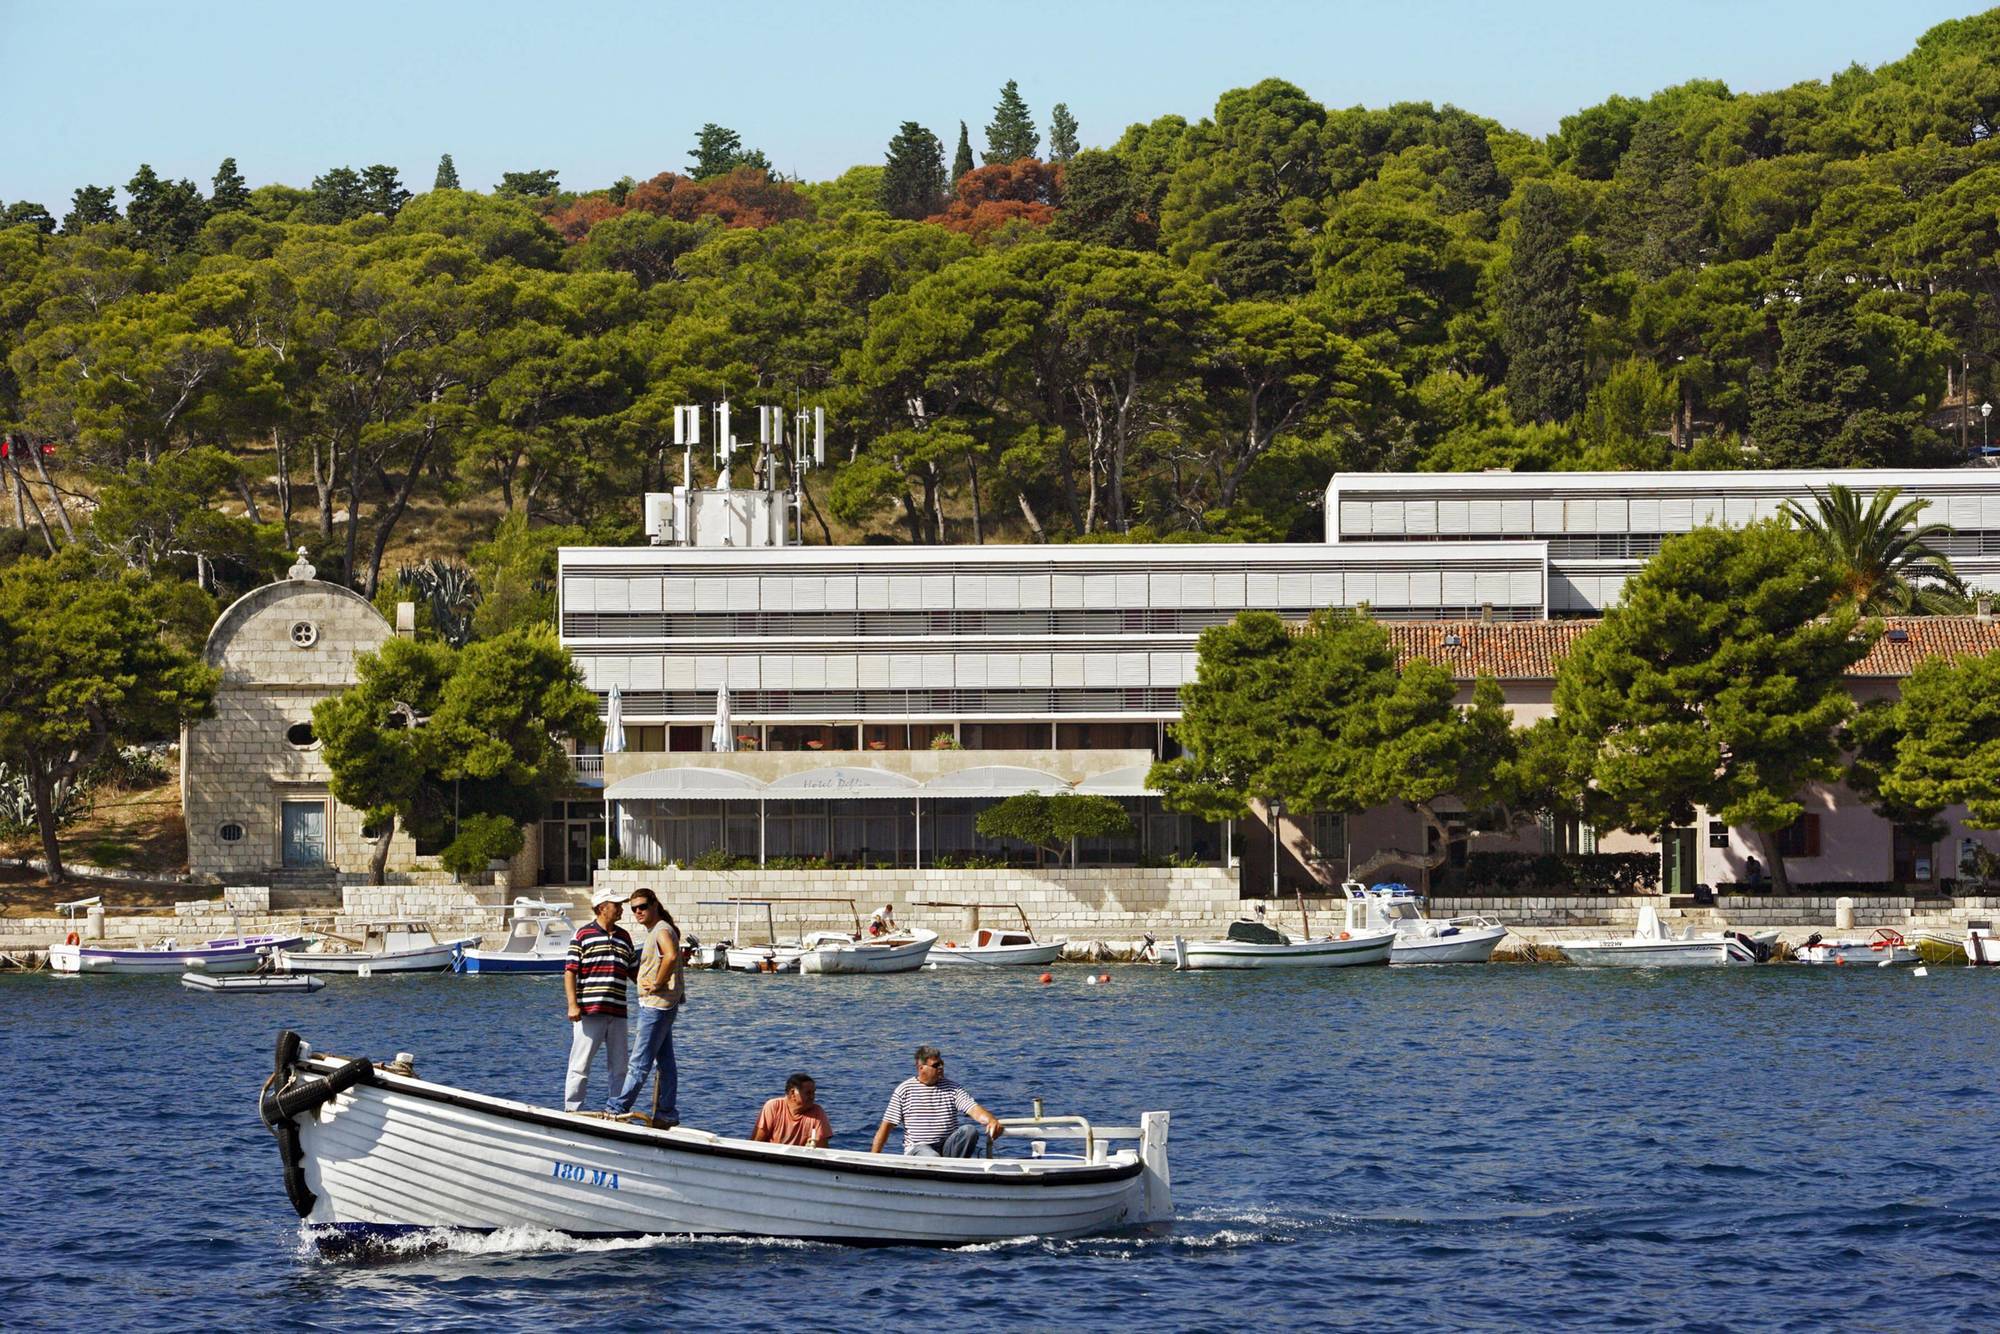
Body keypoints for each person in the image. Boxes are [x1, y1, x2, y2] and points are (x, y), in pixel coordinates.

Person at [604, 888, 685, 1126]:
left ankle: (617, 1107)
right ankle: (666, 1111)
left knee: (639, 1062)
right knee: (666, 1062)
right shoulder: (660, 929)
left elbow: (670, 956)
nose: (638, 912)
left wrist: (657, 983)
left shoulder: (661, 930)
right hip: (663, 1005)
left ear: (654, 905)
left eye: (642, 907)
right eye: (634, 909)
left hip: (656, 1006)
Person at [563, 885, 635, 1112]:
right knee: (580, 1065)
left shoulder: (625, 937)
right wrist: (572, 1005)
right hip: (589, 1011)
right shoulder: (583, 935)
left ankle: (617, 1111)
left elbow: (634, 971)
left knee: (620, 1067)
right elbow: (570, 971)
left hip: (618, 1012)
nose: (621, 909)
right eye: (617, 905)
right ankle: (572, 1111)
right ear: (602, 908)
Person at [869, 1045, 1003, 1157]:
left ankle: (954, 1175)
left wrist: (990, 1120)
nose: (940, 1068)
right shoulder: (904, 1090)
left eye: (942, 1064)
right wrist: (874, 1158)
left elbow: (973, 1109)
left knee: (969, 1130)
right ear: (921, 1068)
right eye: (936, 1065)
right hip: (918, 1148)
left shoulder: (952, 1088)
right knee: (932, 1156)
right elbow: (886, 1126)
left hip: (946, 1146)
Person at [752, 1072, 832, 1147]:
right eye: (808, 1093)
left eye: (813, 1093)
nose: (812, 1097)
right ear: (792, 1093)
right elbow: (757, 1142)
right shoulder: (773, 1107)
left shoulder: (817, 1112)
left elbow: (822, 1148)